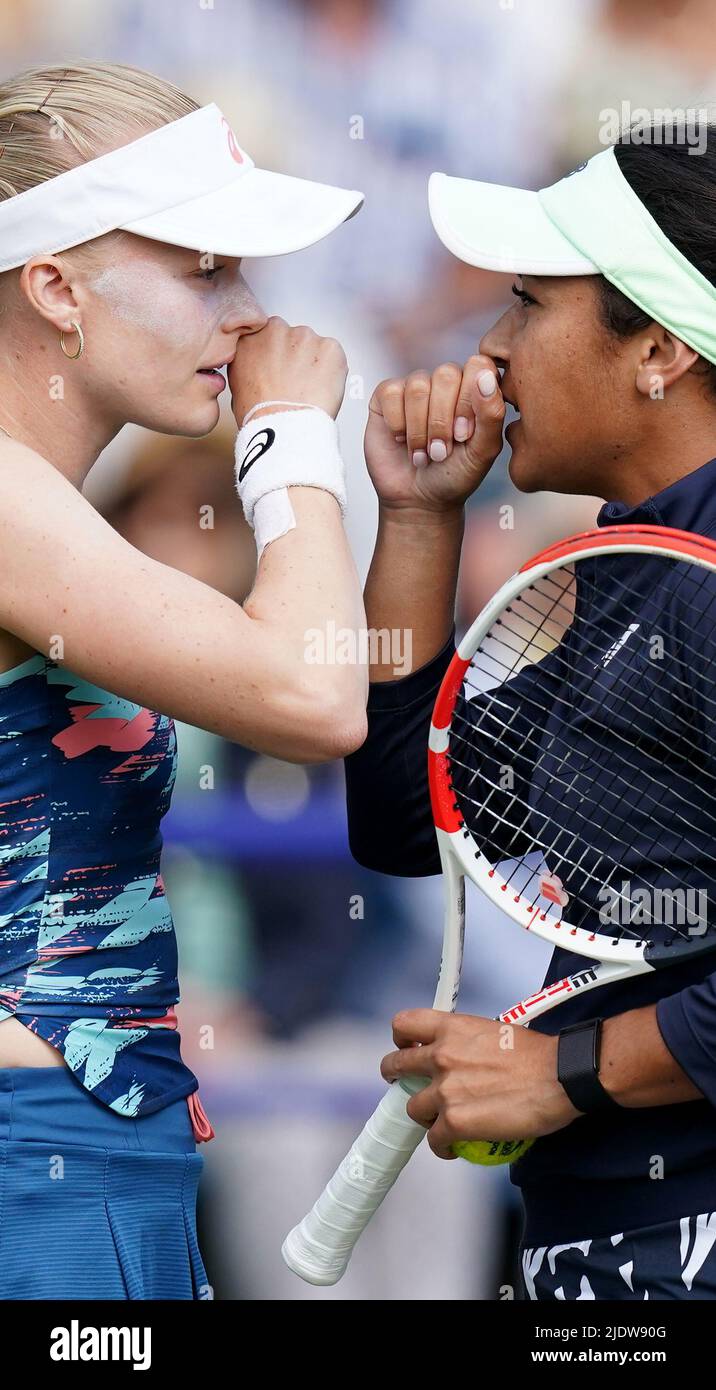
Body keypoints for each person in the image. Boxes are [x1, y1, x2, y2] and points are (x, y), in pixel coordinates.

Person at [0, 60, 368, 1300]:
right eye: (204, 267)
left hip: (87, 1139)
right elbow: (315, 695)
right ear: (54, 286)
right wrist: (290, 441)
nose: (250, 315)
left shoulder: (40, 506)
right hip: (38, 1154)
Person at [346, 125, 716, 1300]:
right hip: (602, 1231)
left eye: (523, 304)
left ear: (655, 347)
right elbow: (411, 819)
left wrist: (564, 1071)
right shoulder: (632, 561)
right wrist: (414, 522)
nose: (490, 350)